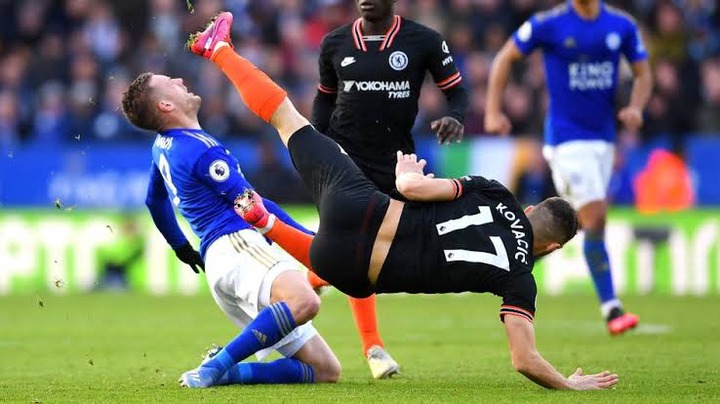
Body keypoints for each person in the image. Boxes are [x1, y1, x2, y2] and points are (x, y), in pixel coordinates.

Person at [185, 11, 619, 390]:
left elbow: (412, 189)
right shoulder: (520, 278)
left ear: (529, 209)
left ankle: (218, 48)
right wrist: (568, 384)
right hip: (354, 274)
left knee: (287, 120)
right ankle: (266, 227)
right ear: (553, 248)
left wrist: (408, 173)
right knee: (324, 262)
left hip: (362, 209)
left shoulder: (496, 192)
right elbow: (524, 360)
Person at [119, 14, 342, 388]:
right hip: (238, 246)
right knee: (305, 302)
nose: (180, 81)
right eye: (170, 83)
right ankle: (215, 366)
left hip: (219, 262)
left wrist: (182, 247)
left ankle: (229, 372)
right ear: (166, 106)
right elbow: (255, 208)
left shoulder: (163, 146)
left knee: (325, 370)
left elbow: (153, 201)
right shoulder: (203, 151)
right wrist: (310, 246)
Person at [311, 0, 469, 377]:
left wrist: (455, 116)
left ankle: (311, 277)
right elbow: (324, 98)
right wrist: (317, 144)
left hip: (395, 162)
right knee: (360, 248)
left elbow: (458, 93)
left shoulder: (423, 40)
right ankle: (373, 347)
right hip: (345, 159)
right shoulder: (334, 43)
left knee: (382, 249)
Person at [484, 0, 652, 335]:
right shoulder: (548, 24)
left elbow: (643, 72)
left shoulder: (621, 26)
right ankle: (612, 308)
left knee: (576, 225)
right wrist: (492, 111)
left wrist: (636, 106)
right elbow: (504, 57)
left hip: (604, 140)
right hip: (566, 141)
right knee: (596, 216)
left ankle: (504, 260)